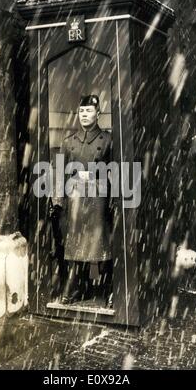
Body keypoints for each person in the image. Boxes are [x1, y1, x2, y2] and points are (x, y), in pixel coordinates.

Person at [50, 95, 113, 307]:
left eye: (89, 111)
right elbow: (59, 173)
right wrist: (58, 200)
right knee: (75, 243)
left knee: (100, 243)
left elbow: (115, 171)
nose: (84, 115)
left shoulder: (108, 140)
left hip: (98, 200)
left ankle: (106, 288)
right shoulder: (69, 142)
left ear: (98, 114)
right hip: (75, 200)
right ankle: (75, 285)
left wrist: (98, 177)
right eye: (82, 111)